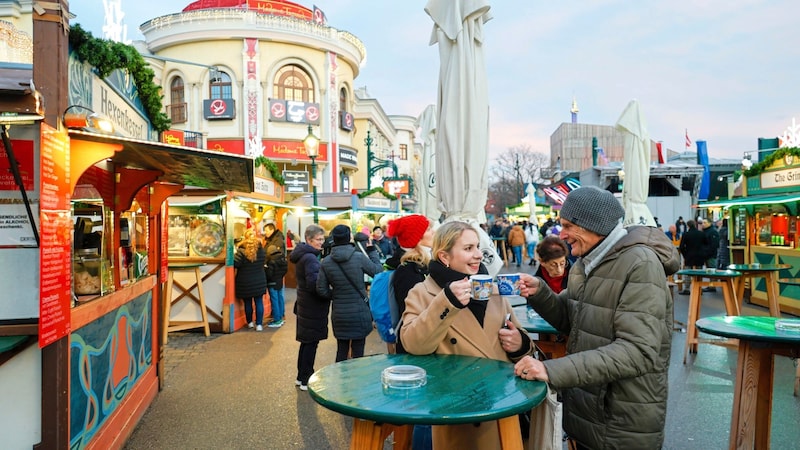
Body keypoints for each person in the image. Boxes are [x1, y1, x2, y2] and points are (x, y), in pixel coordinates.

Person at [513, 186, 680, 450]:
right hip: (589, 410)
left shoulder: (640, 264)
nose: (562, 235)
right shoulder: (585, 263)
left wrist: (552, 370)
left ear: (593, 224)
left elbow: (637, 351)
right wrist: (540, 292)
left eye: (568, 226)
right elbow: (573, 319)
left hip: (621, 418)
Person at [400, 221, 536, 449]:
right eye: (468, 249)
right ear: (444, 256)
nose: (477, 256)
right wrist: (447, 301)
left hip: (502, 403)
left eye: (477, 248)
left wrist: (520, 343)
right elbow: (412, 344)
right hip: (457, 409)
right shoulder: (423, 292)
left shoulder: (492, 288)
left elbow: (520, 336)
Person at [317, 225, 383, 362]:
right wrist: (371, 251)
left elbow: (321, 290)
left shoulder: (326, 262)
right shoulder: (358, 257)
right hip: (360, 311)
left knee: (342, 349)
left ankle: (341, 381)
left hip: (340, 312)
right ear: (349, 238)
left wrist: (336, 295)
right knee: (358, 351)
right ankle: (356, 381)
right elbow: (378, 271)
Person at [385, 214, 434, 354]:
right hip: (415, 343)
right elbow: (412, 310)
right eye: (428, 229)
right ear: (418, 238)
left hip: (422, 338)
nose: (433, 232)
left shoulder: (420, 265)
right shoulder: (408, 270)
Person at [289, 224, 329, 391]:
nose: (322, 242)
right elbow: (314, 285)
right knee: (311, 343)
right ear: (309, 240)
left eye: (323, 239)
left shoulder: (303, 255)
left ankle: (301, 376)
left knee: (306, 343)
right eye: (318, 240)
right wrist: (328, 293)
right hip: (312, 306)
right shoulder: (311, 258)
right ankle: (306, 378)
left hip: (305, 304)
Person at [234, 229, 267, 331]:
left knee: (248, 303)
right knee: (259, 302)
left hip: (245, 281)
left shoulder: (241, 251)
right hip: (259, 280)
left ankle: (250, 323)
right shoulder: (261, 250)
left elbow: (235, 263)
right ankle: (259, 325)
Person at [263, 222, 287, 327]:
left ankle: (277, 319)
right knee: (279, 296)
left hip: (273, 279)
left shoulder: (276, 242)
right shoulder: (278, 240)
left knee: (275, 298)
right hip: (279, 278)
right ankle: (280, 316)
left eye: (266, 231)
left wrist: (266, 268)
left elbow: (270, 270)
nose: (265, 233)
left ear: (271, 230)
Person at [678, 219, 708, 295]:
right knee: (699, 273)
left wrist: (685, 255)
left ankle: (687, 289)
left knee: (687, 273)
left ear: (688, 226)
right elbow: (706, 244)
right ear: (695, 225)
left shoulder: (686, 234)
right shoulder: (701, 234)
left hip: (689, 256)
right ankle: (699, 288)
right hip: (699, 256)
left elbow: (681, 247)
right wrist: (703, 253)